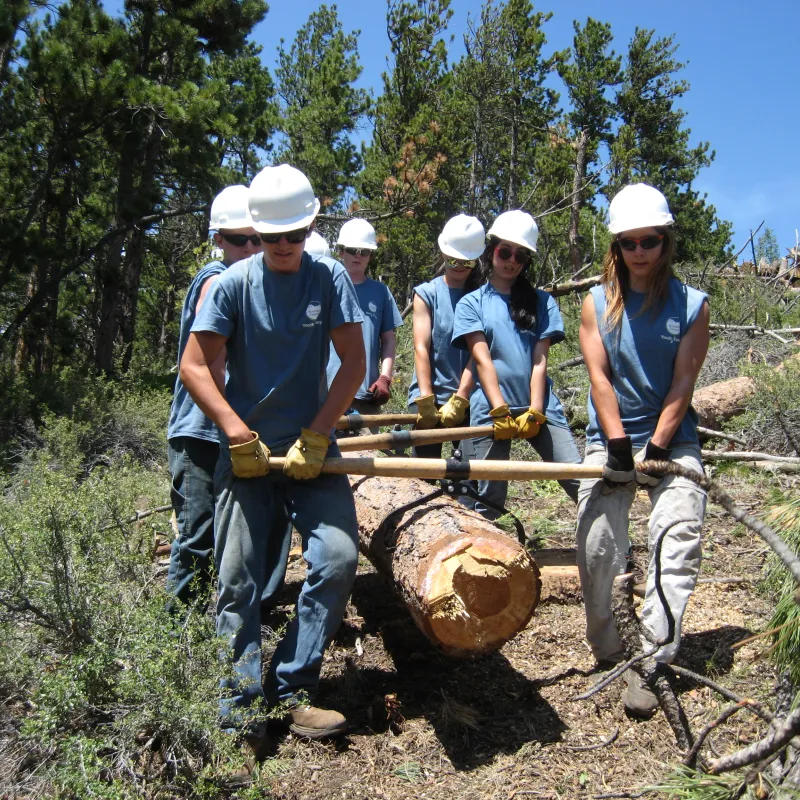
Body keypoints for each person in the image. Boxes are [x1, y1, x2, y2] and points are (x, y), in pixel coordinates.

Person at [180, 164, 366, 742]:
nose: (282, 247)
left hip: (313, 452)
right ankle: (239, 711)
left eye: (294, 235)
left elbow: (354, 365)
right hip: (246, 456)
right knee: (236, 581)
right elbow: (193, 366)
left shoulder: (329, 277)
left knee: (336, 559)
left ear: (311, 225)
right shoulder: (232, 285)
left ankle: (292, 686)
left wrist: (318, 432)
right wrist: (236, 432)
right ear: (255, 233)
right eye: (269, 237)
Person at [576, 183, 710, 717]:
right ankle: (610, 648)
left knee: (677, 538)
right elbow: (599, 378)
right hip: (610, 438)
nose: (639, 251)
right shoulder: (595, 304)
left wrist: (655, 450)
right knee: (597, 544)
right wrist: (617, 448)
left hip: (672, 440)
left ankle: (653, 660)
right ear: (616, 246)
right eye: (628, 242)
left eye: (649, 240)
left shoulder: (692, 307)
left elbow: (683, 384)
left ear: (665, 240)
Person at [166, 185, 284, 611]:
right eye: (240, 239)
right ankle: (179, 638)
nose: (252, 247)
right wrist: (238, 424)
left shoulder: (252, 284)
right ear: (218, 239)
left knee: (232, 532)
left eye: (259, 237)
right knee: (198, 535)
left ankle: (226, 621)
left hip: (230, 430)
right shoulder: (216, 281)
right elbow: (211, 368)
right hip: (201, 431)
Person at [452, 210, 582, 519]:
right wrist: (500, 409)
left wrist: (536, 409)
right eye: (505, 251)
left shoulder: (541, 302)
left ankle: (617, 548)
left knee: (579, 477)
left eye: (521, 255)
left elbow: (540, 361)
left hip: (541, 406)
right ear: (491, 249)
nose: (512, 260)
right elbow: (482, 359)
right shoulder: (472, 303)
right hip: (491, 409)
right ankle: (484, 557)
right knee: (489, 493)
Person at [407, 214, 482, 458]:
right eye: (453, 258)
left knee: (471, 478)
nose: (459, 265)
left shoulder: (482, 298)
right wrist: (426, 399)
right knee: (422, 478)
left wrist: (461, 397)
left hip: (468, 396)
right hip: (428, 393)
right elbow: (421, 346)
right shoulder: (427, 294)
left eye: (467, 261)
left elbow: (479, 353)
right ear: (442, 252)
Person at [327, 218, 403, 433]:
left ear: (371, 256)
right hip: (326, 394)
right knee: (328, 462)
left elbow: (388, 339)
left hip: (366, 395)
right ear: (341, 251)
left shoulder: (381, 292)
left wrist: (385, 378)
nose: (358, 255)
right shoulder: (326, 288)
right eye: (352, 250)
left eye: (364, 251)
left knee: (365, 463)